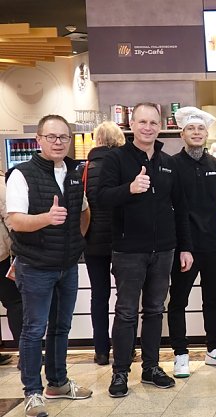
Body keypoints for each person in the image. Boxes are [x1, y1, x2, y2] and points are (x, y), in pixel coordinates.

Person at [98, 103, 193, 397]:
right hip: (128, 251)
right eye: (142, 121)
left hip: (163, 250)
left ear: (160, 125)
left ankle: (151, 367)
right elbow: (101, 198)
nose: (148, 127)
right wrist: (130, 188)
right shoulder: (116, 159)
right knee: (126, 312)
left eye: (153, 122)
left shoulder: (168, 162)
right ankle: (120, 372)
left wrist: (185, 247)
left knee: (154, 310)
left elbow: (180, 209)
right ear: (132, 125)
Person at [7, 114, 92, 416]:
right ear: (39, 139)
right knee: (34, 329)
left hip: (67, 265)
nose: (58, 142)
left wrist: (73, 242)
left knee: (61, 327)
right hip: (35, 266)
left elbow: (84, 211)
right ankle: (32, 391)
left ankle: (57, 382)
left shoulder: (74, 172)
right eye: (52, 137)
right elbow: (14, 220)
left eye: (64, 138)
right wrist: (46, 219)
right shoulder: (21, 174)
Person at [168, 107, 216, 378]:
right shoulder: (172, 164)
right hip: (184, 245)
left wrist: (208, 220)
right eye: (191, 129)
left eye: (200, 129)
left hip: (213, 244)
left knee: (213, 299)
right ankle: (180, 354)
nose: (196, 133)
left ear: (207, 133)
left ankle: (214, 350)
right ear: (182, 133)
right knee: (179, 300)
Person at [83, 121, 125, 366]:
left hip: (93, 242)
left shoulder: (84, 169)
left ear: (97, 140)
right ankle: (124, 347)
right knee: (125, 297)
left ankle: (100, 350)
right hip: (122, 240)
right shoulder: (123, 166)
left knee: (99, 296)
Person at [0, 170, 22, 366]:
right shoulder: (0, 185)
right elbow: (11, 219)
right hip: (2, 256)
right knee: (15, 303)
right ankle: (25, 354)